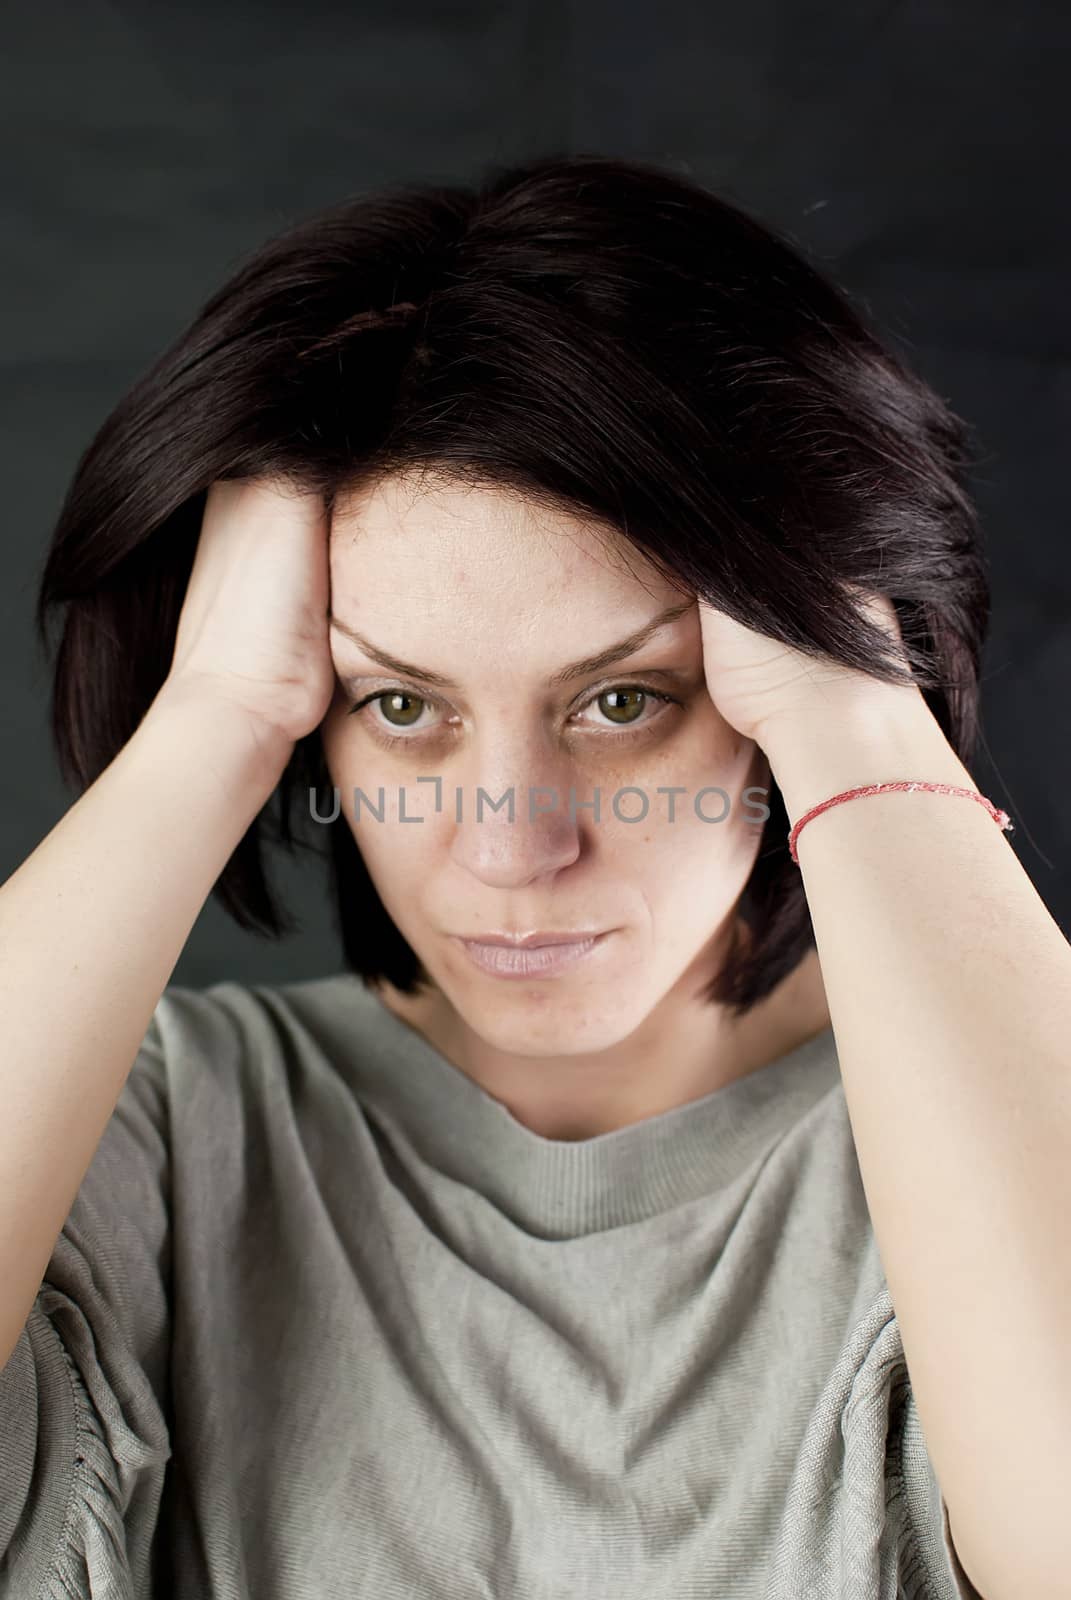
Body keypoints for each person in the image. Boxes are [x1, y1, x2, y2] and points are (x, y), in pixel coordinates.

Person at [3, 151, 1064, 1599]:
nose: (512, 849)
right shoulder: (152, 1129)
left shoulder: (995, 1115)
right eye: (398, 706)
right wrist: (212, 719)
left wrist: (856, 707)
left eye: (625, 701)